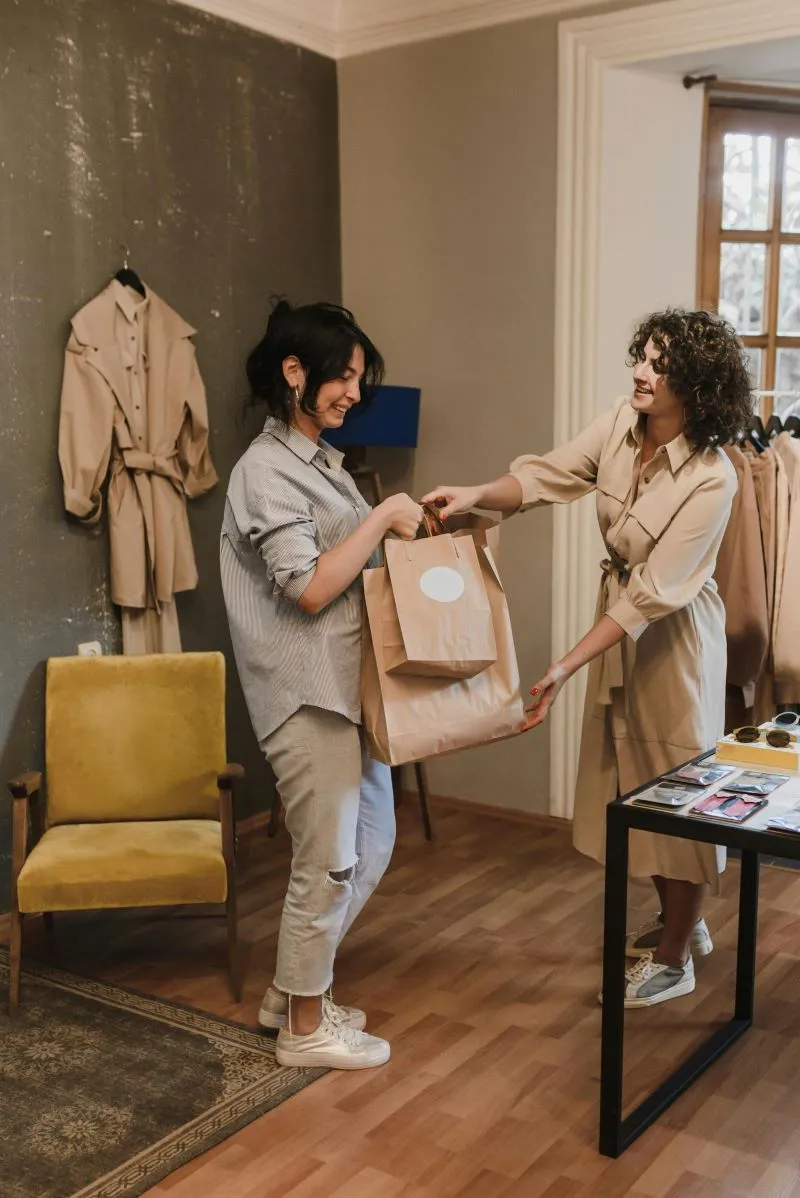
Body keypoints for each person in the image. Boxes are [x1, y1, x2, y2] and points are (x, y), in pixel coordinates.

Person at [424, 309, 752, 1008]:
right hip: (621, 625)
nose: (640, 371)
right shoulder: (617, 426)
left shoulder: (713, 477)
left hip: (674, 638)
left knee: (679, 785)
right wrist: (481, 494)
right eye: (643, 357)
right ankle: (680, 921)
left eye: (660, 365)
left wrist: (565, 667)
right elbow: (546, 477)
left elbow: (651, 598)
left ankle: (677, 953)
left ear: (695, 384)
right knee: (635, 775)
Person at [221, 300, 423, 1067]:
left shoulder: (318, 462)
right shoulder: (264, 473)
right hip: (304, 694)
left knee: (370, 843)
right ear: (293, 372)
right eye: (341, 377)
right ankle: (305, 1029)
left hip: (347, 687)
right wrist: (379, 521)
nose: (352, 392)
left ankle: (289, 992)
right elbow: (306, 588)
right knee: (330, 858)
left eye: (357, 379)